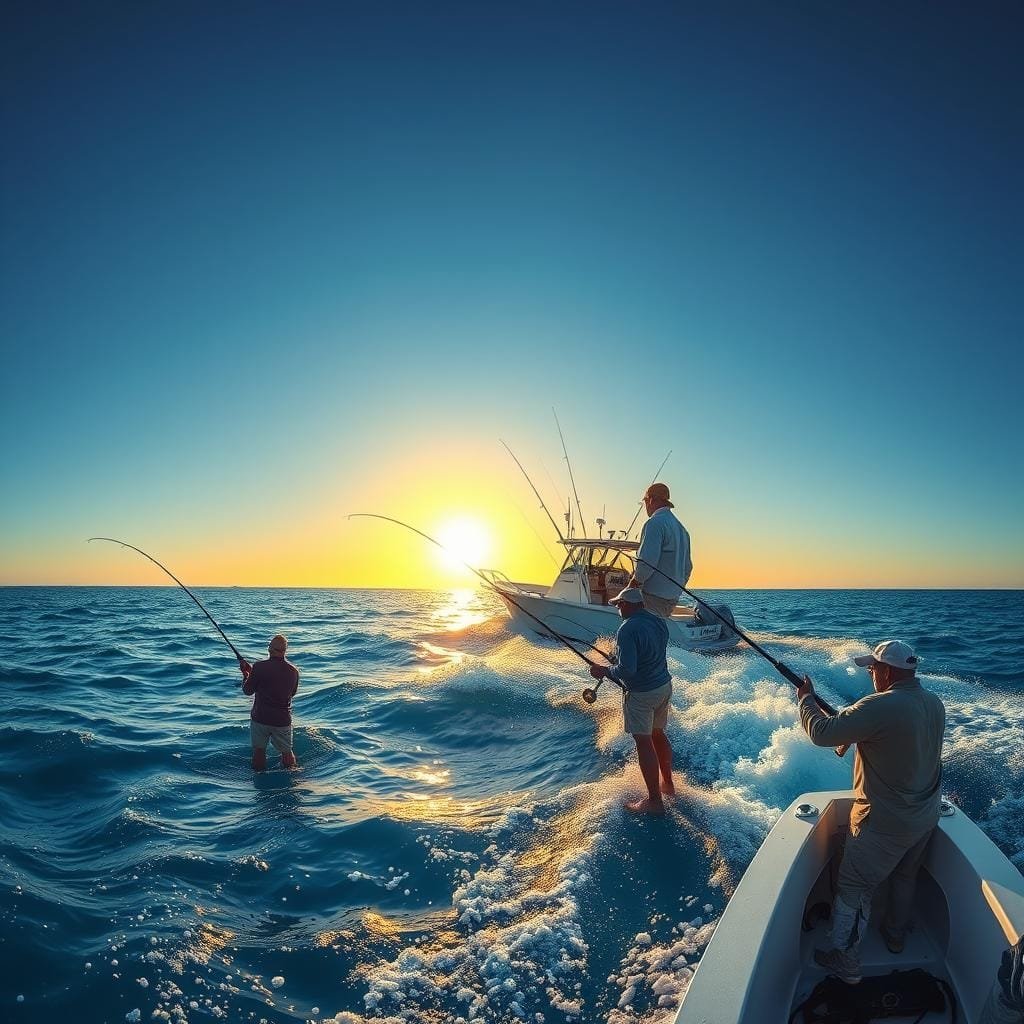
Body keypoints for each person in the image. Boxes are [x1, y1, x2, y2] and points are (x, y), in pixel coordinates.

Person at [796, 640, 945, 985]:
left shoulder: (879, 705)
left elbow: (821, 733)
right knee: (905, 876)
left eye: (873, 669)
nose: (871, 674)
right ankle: (895, 936)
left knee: (852, 887)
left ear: (888, 671)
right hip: (924, 817)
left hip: (884, 825)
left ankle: (845, 960)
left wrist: (805, 700)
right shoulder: (933, 702)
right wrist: (855, 734)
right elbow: (895, 738)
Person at [589, 587, 674, 815]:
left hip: (642, 694)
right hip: (664, 687)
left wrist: (604, 671)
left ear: (627, 605)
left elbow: (628, 671)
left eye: (619, 604)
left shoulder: (627, 629)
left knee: (643, 741)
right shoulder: (659, 622)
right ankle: (668, 785)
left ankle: (654, 801)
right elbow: (649, 654)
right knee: (658, 734)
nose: (617, 608)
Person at [627, 482, 692, 618]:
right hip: (672, 598)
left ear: (650, 500)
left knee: (645, 633)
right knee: (657, 631)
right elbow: (688, 568)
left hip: (652, 598)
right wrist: (675, 590)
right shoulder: (682, 529)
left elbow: (646, 562)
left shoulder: (654, 523)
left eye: (645, 501)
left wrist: (632, 585)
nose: (645, 505)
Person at [240, 634, 300, 771]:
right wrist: (254, 674)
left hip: (260, 718)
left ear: (269, 650)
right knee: (287, 753)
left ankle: (259, 777)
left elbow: (247, 691)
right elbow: (292, 693)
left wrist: (246, 675)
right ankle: (292, 774)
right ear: (285, 651)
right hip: (282, 721)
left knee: (259, 751)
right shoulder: (294, 671)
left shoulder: (259, 667)